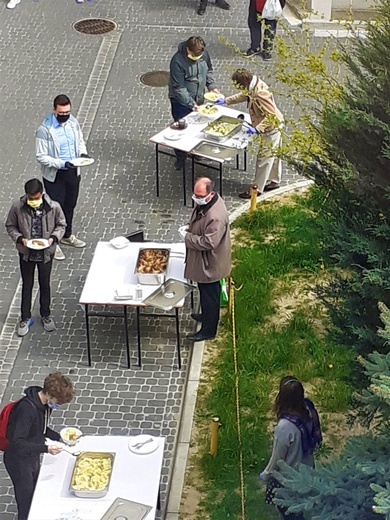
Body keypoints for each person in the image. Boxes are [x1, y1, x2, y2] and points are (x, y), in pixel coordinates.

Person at [4, 372, 74, 520]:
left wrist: (60, 438)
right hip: (19, 461)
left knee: (36, 493)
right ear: (49, 394)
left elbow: (39, 429)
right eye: (57, 402)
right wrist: (46, 449)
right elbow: (18, 442)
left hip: (31, 456)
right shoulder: (26, 410)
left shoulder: (43, 406)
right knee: (26, 502)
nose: (57, 405)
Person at [5, 178, 66, 336]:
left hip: (46, 252)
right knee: (27, 284)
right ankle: (25, 317)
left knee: (44, 284)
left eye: (36, 198)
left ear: (42, 194)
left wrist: (53, 238)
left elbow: (61, 225)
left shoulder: (53, 207)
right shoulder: (17, 207)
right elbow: (10, 225)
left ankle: (45, 315)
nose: (33, 201)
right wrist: (20, 239)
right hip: (27, 252)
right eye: (30, 199)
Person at [259, 376, 322, 520]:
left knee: (290, 514)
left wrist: (265, 475)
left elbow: (278, 459)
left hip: (289, 480)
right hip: (308, 472)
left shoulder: (285, 427)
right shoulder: (309, 409)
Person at [36, 94, 89, 261]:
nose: (65, 115)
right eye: (62, 112)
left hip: (73, 171)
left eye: (67, 111)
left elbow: (79, 140)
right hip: (55, 175)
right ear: (54, 111)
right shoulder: (44, 130)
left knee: (70, 205)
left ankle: (67, 235)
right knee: (54, 210)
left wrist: (82, 153)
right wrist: (61, 164)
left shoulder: (73, 122)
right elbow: (41, 156)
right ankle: (53, 242)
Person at [218, 68, 284, 199]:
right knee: (274, 155)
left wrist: (258, 128)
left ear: (243, 82)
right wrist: (226, 100)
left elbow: (271, 116)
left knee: (264, 159)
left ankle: (256, 189)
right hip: (274, 126)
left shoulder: (260, 93)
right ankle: (274, 181)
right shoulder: (254, 85)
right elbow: (244, 96)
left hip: (271, 129)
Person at [182, 177, 231, 342]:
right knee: (206, 293)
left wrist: (188, 237)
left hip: (211, 263)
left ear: (210, 194)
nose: (196, 198)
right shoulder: (208, 204)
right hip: (207, 261)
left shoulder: (215, 215)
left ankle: (208, 330)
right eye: (195, 194)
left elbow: (209, 242)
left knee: (210, 295)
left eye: (199, 195)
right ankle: (207, 316)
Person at [169, 36, 221, 170]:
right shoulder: (177, 61)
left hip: (199, 97)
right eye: (195, 55)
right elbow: (179, 88)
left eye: (200, 55)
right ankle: (180, 157)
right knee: (182, 129)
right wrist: (192, 105)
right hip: (181, 102)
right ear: (188, 50)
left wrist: (212, 86)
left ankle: (195, 152)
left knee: (198, 126)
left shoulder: (203, 54)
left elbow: (208, 70)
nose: (198, 57)